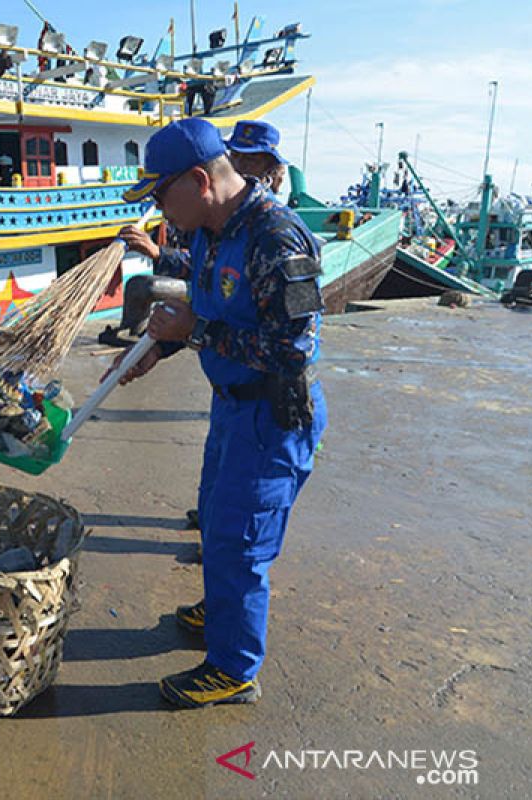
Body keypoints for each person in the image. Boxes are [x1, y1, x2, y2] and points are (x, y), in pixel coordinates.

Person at [112, 117, 327, 707]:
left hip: (272, 416)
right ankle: (222, 608)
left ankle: (234, 669)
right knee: (215, 517)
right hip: (231, 407)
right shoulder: (210, 229)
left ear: (201, 180)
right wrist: (158, 348)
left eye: (161, 194)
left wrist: (196, 330)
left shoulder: (277, 240)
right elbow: (211, 308)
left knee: (242, 541)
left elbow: (292, 348)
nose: (159, 208)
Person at [225, 120, 288, 194]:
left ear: (269, 166)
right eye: (234, 155)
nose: (237, 164)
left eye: (250, 159)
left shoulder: (267, 204)